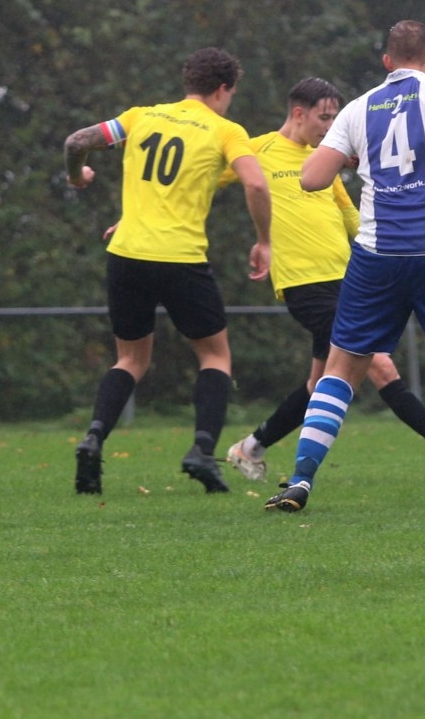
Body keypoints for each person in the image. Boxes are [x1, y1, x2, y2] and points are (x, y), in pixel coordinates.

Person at [263, 20, 425, 513]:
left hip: (376, 257)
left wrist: (356, 156)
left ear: (386, 62)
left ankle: (299, 482)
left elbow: (311, 177)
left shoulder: (358, 107)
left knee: (340, 370)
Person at [216, 77, 425, 482]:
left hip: (349, 280)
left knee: (319, 384)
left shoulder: (324, 161)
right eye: (324, 117)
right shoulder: (258, 149)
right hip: (304, 284)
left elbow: (352, 216)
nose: (330, 125)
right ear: (298, 113)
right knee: (379, 364)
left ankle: (250, 448)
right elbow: (199, 179)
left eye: (335, 117)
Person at [63, 47, 272, 495]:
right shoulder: (225, 130)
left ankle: (93, 438)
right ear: (223, 89)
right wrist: (264, 241)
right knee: (215, 356)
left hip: (127, 253)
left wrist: (77, 177)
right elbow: (255, 182)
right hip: (181, 258)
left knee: (131, 359)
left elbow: (76, 142)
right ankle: (202, 451)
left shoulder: (140, 117)